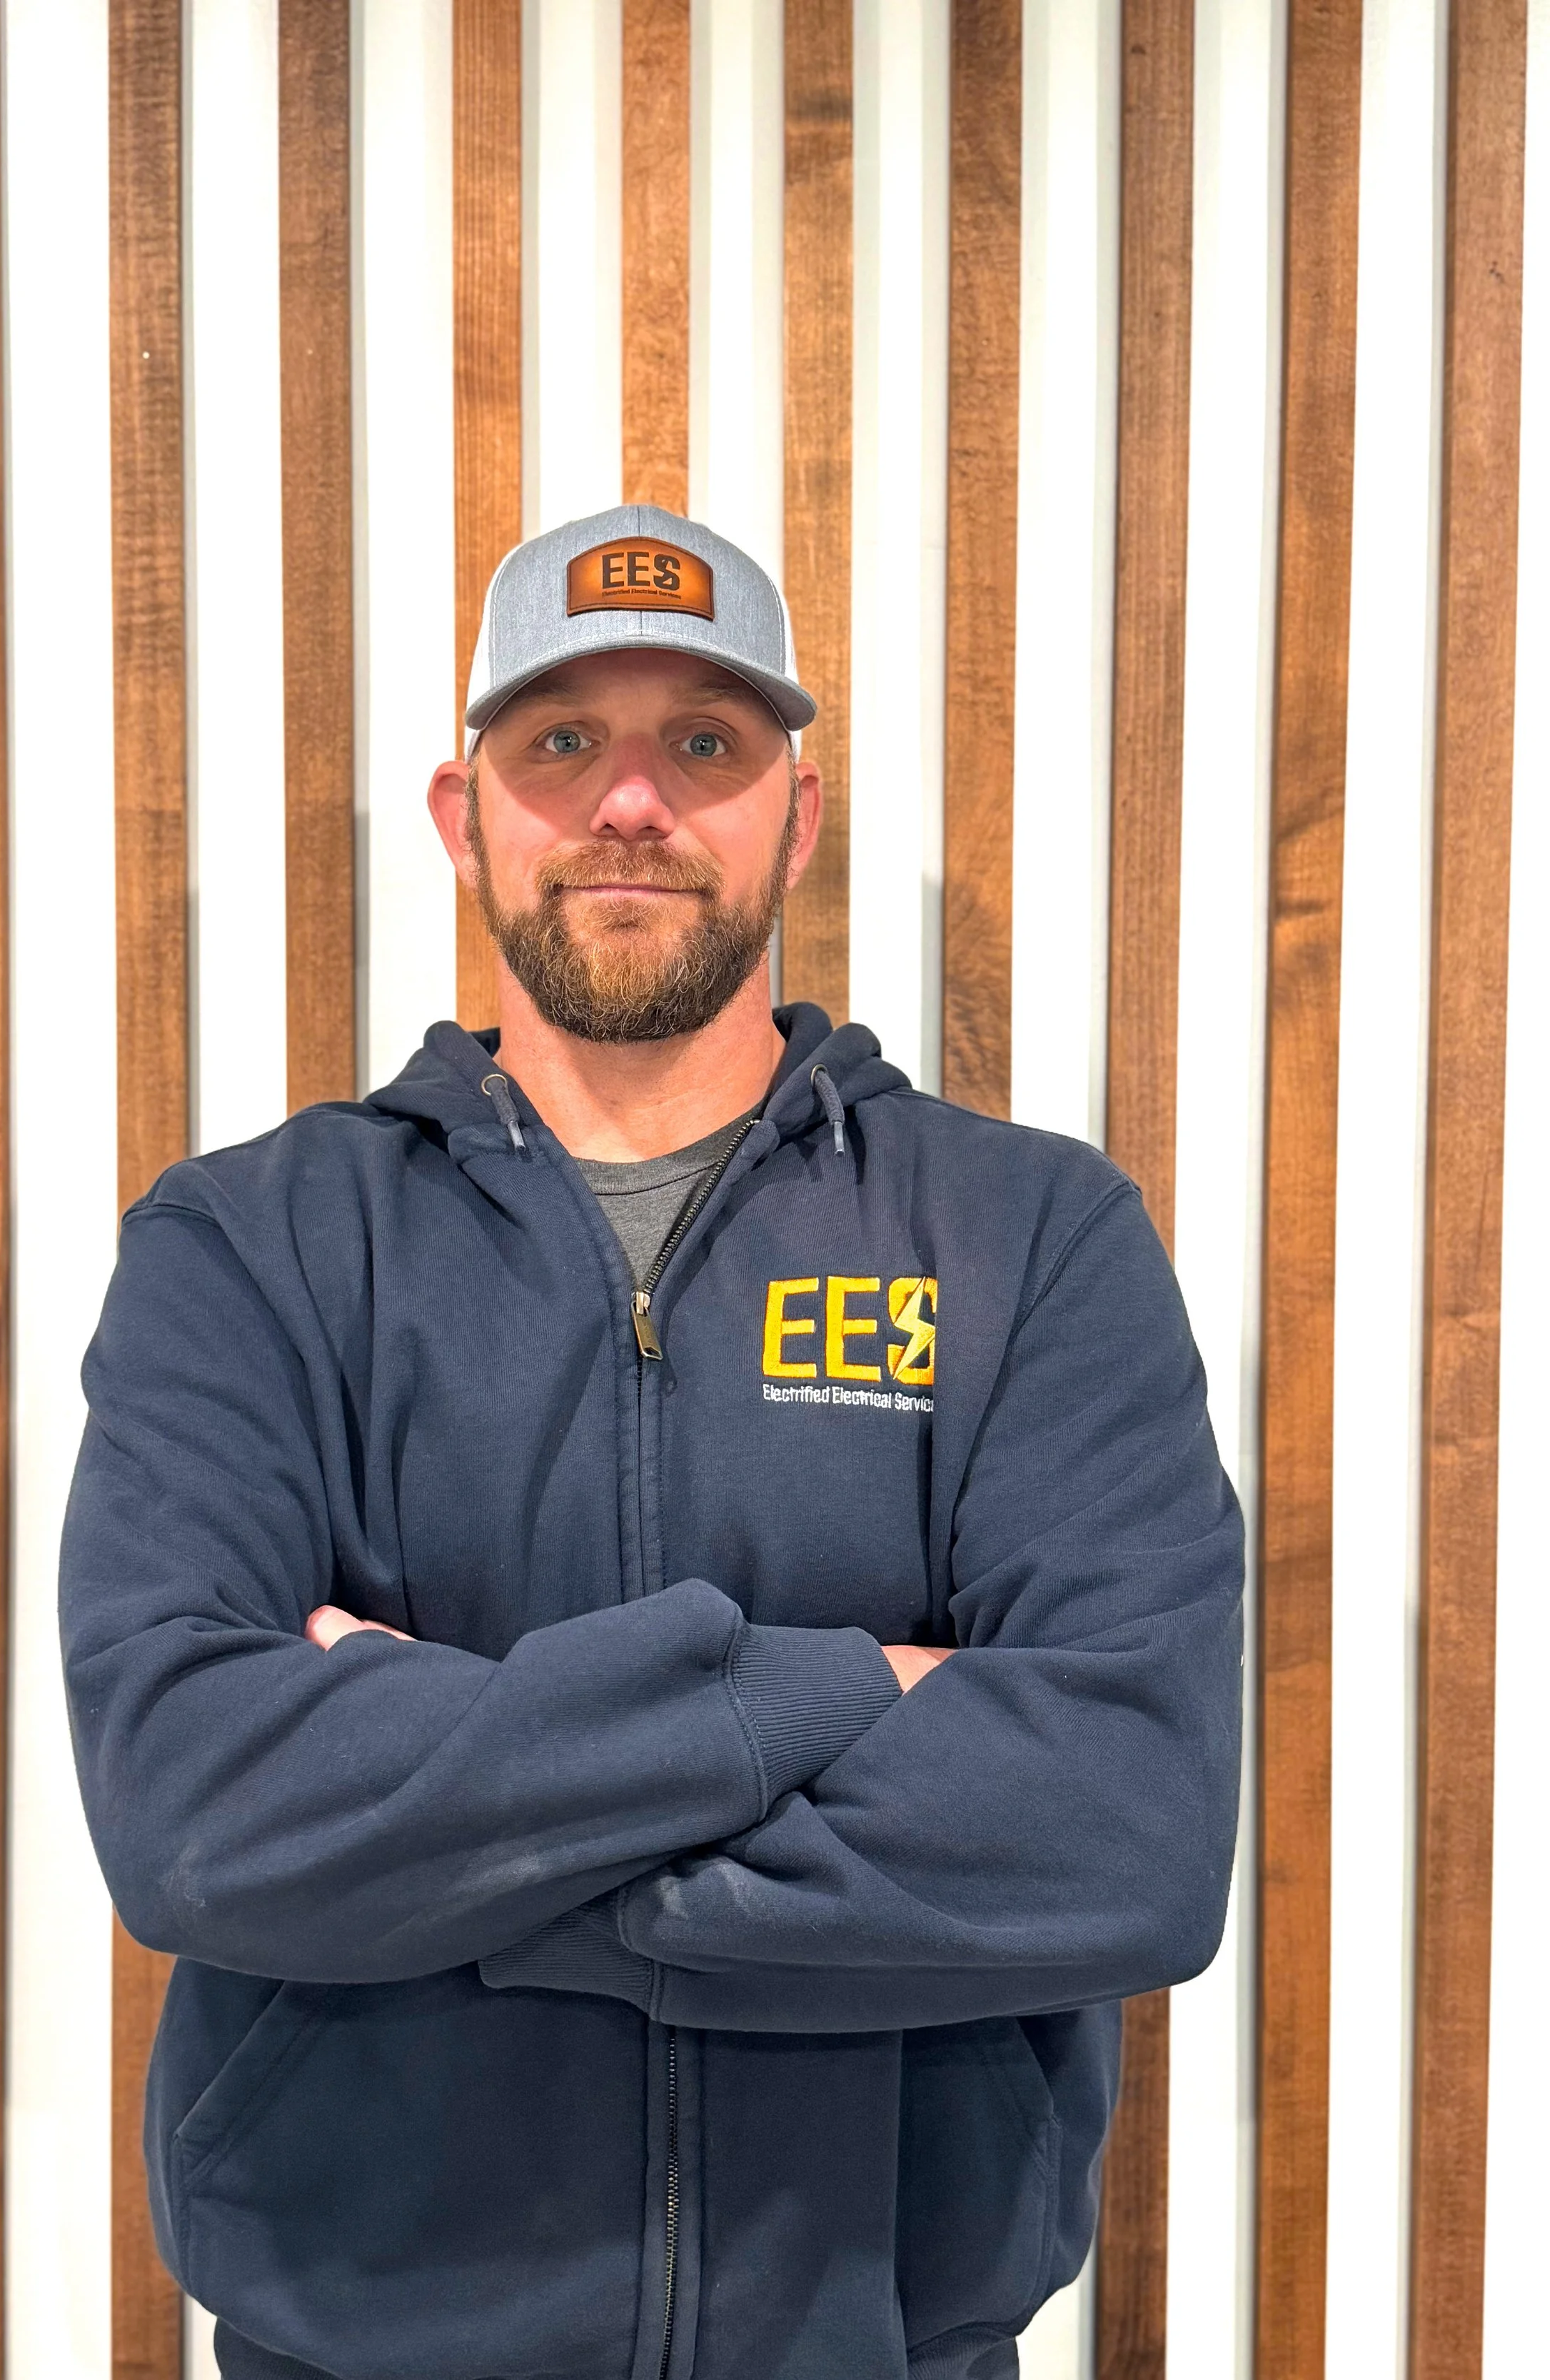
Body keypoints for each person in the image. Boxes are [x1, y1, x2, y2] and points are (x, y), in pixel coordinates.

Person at [61, 505, 1244, 2380]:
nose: (630, 802)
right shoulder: (256, 1245)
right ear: (464, 814)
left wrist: (461, 1807)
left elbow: (1133, 1826)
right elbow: (195, 1810)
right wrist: (846, 1687)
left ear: (796, 810)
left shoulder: (1027, 1239)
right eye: (562, 741)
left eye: (703, 740)